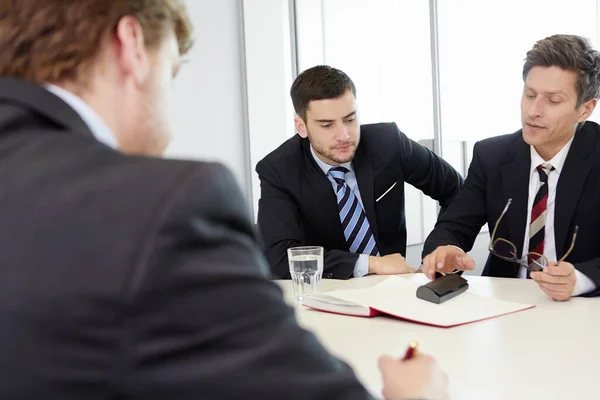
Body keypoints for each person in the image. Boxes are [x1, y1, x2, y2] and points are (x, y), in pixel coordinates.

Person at [0, 1, 447, 399]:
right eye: (170, 74)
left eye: (349, 119)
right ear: (132, 46)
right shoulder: (170, 203)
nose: (343, 133)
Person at [422, 34, 600, 300]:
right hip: (506, 306)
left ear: (585, 110)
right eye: (529, 95)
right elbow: (453, 225)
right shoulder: (491, 155)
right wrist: (444, 250)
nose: (533, 111)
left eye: (553, 101)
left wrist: (581, 279)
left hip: (584, 309)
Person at [256, 65, 464, 280]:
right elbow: (278, 258)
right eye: (327, 125)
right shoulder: (279, 170)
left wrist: (440, 248)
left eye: (350, 119)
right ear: (301, 127)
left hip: (396, 289)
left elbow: (458, 191)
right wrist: (371, 264)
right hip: (329, 294)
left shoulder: (388, 142)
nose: (344, 135)